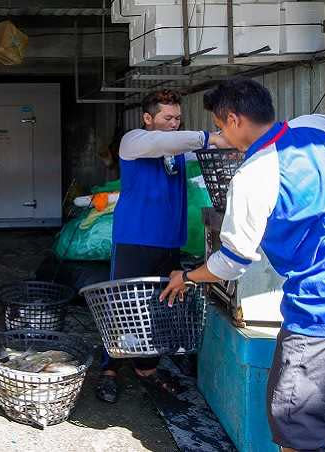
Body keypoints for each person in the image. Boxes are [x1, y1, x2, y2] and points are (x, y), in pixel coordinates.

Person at [161, 78, 325, 452]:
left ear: (233, 119)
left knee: (296, 429)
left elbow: (233, 261)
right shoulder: (315, 129)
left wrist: (188, 276)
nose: (222, 137)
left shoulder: (255, 173)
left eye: (220, 128)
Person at [97, 89, 231, 403]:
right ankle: (110, 368)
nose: (173, 124)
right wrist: (210, 137)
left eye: (177, 119)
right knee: (123, 305)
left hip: (170, 242)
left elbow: (183, 149)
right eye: (167, 117)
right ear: (148, 118)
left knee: (161, 306)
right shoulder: (134, 141)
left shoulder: (178, 151)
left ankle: (147, 367)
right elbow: (161, 143)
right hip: (135, 239)